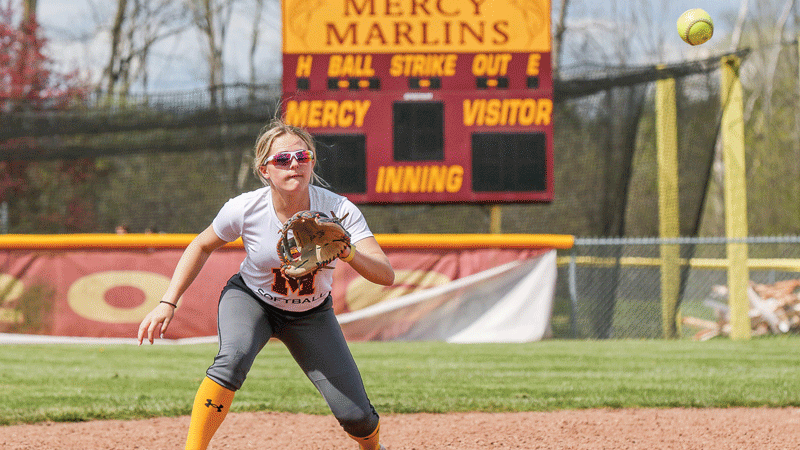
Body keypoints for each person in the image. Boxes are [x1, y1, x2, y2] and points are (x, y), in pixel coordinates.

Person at [137, 118, 395, 450]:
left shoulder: (338, 210)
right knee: (232, 359)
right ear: (265, 170)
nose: (294, 165)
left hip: (311, 313)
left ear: (312, 162)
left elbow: (385, 274)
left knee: (357, 415)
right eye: (283, 160)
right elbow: (201, 245)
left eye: (302, 157)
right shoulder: (247, 209)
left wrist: (347, 250)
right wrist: (167, 302)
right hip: (252, 300)